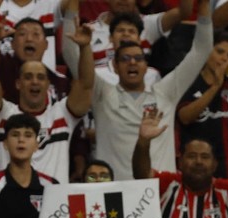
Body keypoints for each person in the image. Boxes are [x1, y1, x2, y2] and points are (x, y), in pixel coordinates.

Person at [85, 0, 213, 181]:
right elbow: (76, 65)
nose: (132, 63)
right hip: (115, 195)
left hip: (160, 195)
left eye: (138, 58)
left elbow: (202, 50)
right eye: (125, 59)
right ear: (115, 65)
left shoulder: (166, 92)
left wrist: (204, 6)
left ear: (147, 66)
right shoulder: (102, 94)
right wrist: (79, 39)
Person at [0, 17, 94, 184]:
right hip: (10, 205)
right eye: (28, 77)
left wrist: (84, 47)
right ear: (18, 84)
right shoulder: (3, 115)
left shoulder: (61, 115)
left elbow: (85, 85)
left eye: (40, 77)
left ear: (48, 84)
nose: (34, 82)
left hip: (54, 207)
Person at [177, 30, 228, 179]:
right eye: (220, 51)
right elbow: (184, 117)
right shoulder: (188, 81)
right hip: (194, 168)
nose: (224, 58)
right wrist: (215, 87)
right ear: (207, 51)